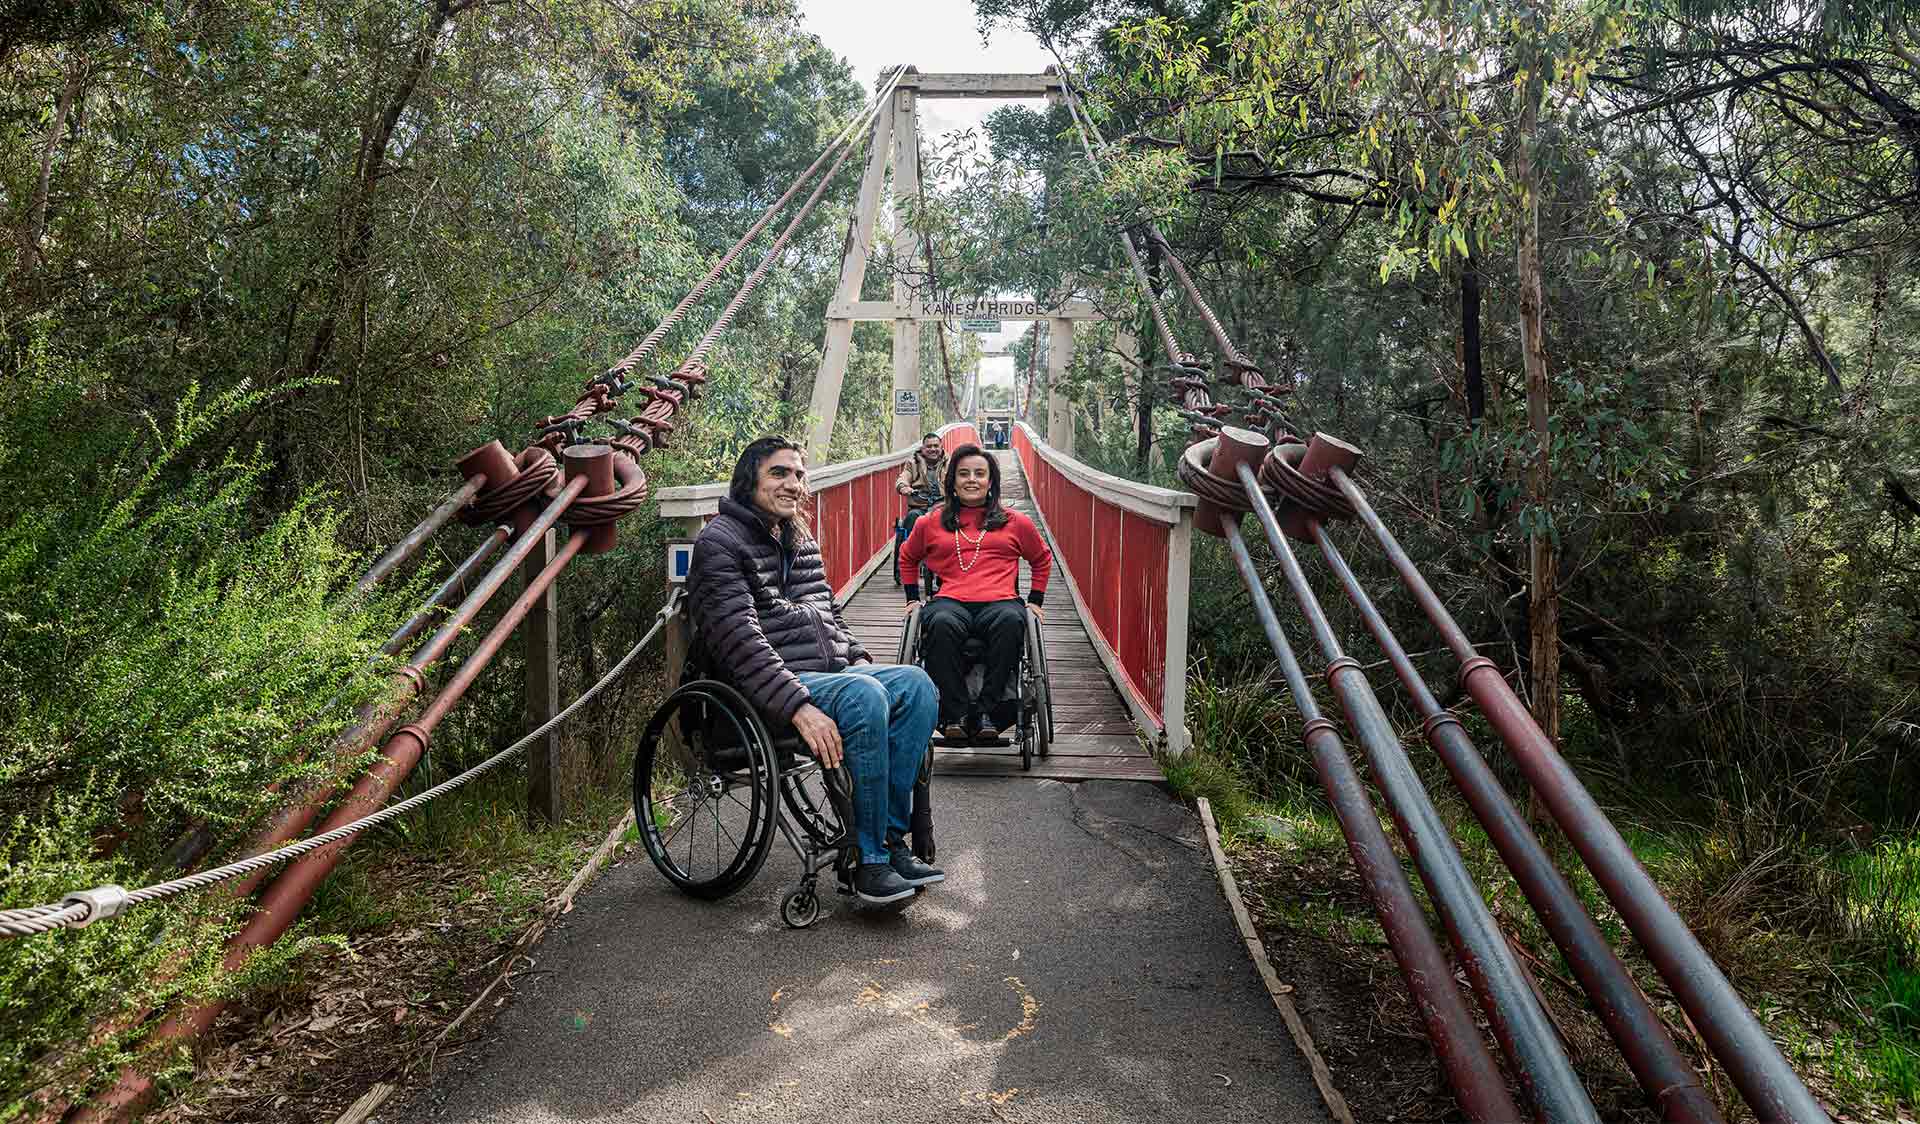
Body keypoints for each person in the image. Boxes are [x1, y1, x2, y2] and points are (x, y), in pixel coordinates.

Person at [686, 436, 943, 906]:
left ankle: (887, 839)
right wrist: (799, 707)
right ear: (750, 482)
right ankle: (869, 864)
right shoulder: (719, 542)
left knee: (916, 685)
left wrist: (859, 655)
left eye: (799, 475)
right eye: (779, 473)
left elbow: (830, 615)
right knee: (864, 697)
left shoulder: (799, 538)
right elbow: (739, 642)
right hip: (762, 692)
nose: (793, 483)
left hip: (827, 676)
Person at [898, 444, 1053, 742]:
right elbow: (907, 557)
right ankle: (953, 713)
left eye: (980, 474)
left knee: (1011, 622)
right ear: (952, 481)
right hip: (950, 600)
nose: (972, 479)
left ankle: (989, 714)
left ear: (991, 481)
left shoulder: (1015, 522)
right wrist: (911, 598)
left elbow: (1042, 559)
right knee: (940, 624)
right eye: (964, 473)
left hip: (1000, 601)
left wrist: (1035, 601)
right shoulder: (931, 522)